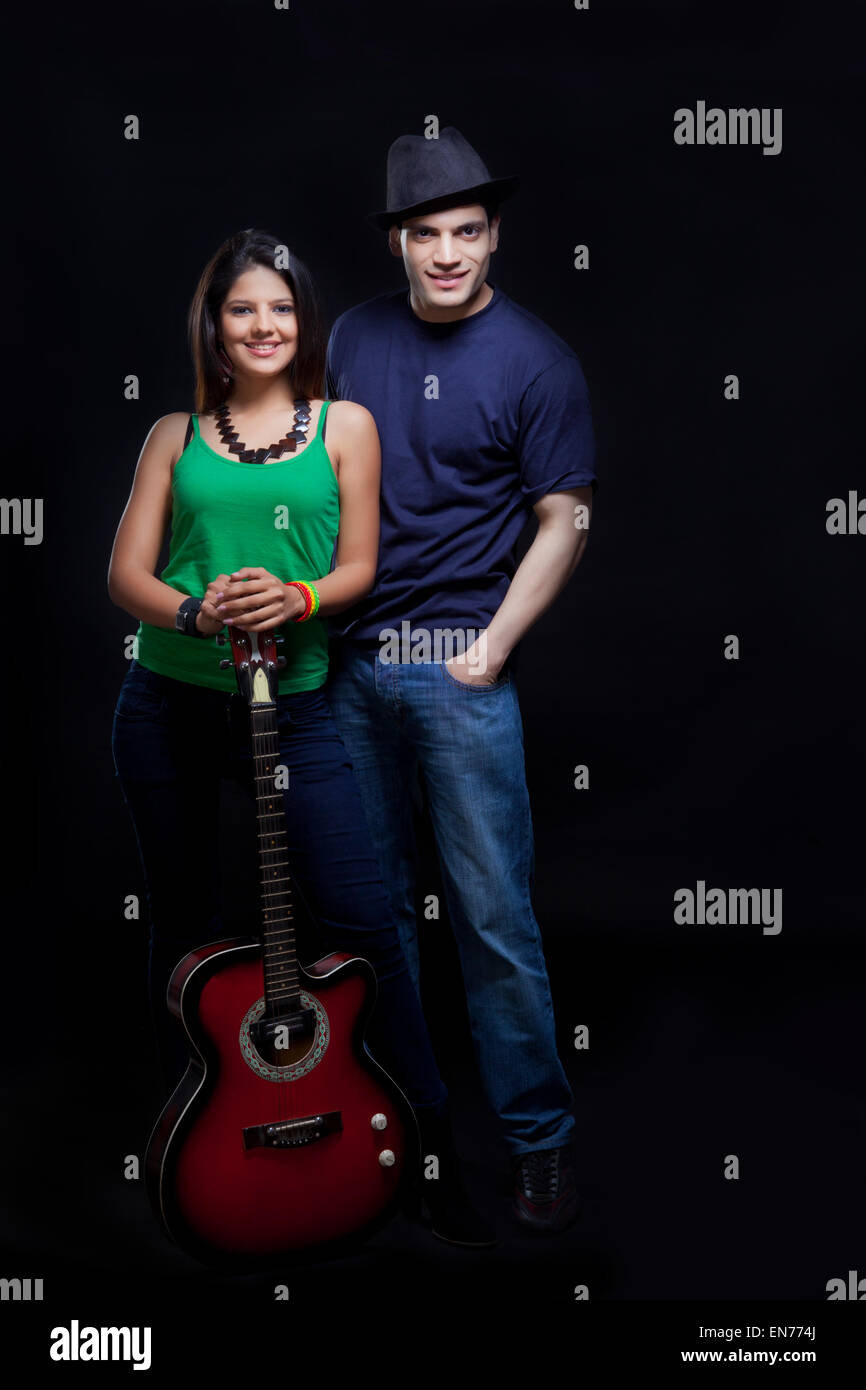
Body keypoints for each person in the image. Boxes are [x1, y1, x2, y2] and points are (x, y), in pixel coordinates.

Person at [108, 227, 495, 1247]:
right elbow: (126, 579)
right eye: (242, 309)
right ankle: (193, 1139)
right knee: (182, 924)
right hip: (166, 705)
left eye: (280, 307)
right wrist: (199, 613)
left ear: (301, 322)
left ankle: (427, 1147)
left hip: (299, 705)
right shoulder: (169, 437)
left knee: (366, 925)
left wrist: (294, 595)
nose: (264, 324)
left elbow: (361, 564)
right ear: (215, 326)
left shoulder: (347, 426)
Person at [325, 128, 598, 1233]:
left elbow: (564, 517)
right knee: (368, 914)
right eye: (426, 233)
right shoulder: (348, 335)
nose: (447, 254)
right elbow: (308, 470)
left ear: (494, 238)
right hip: (342, 666)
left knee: (490, 920)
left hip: (458, 670)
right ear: (398, 240)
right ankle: (404, 1127)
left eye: (467, 233)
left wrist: (490, 640)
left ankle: (538, 1143)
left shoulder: (536, 360)